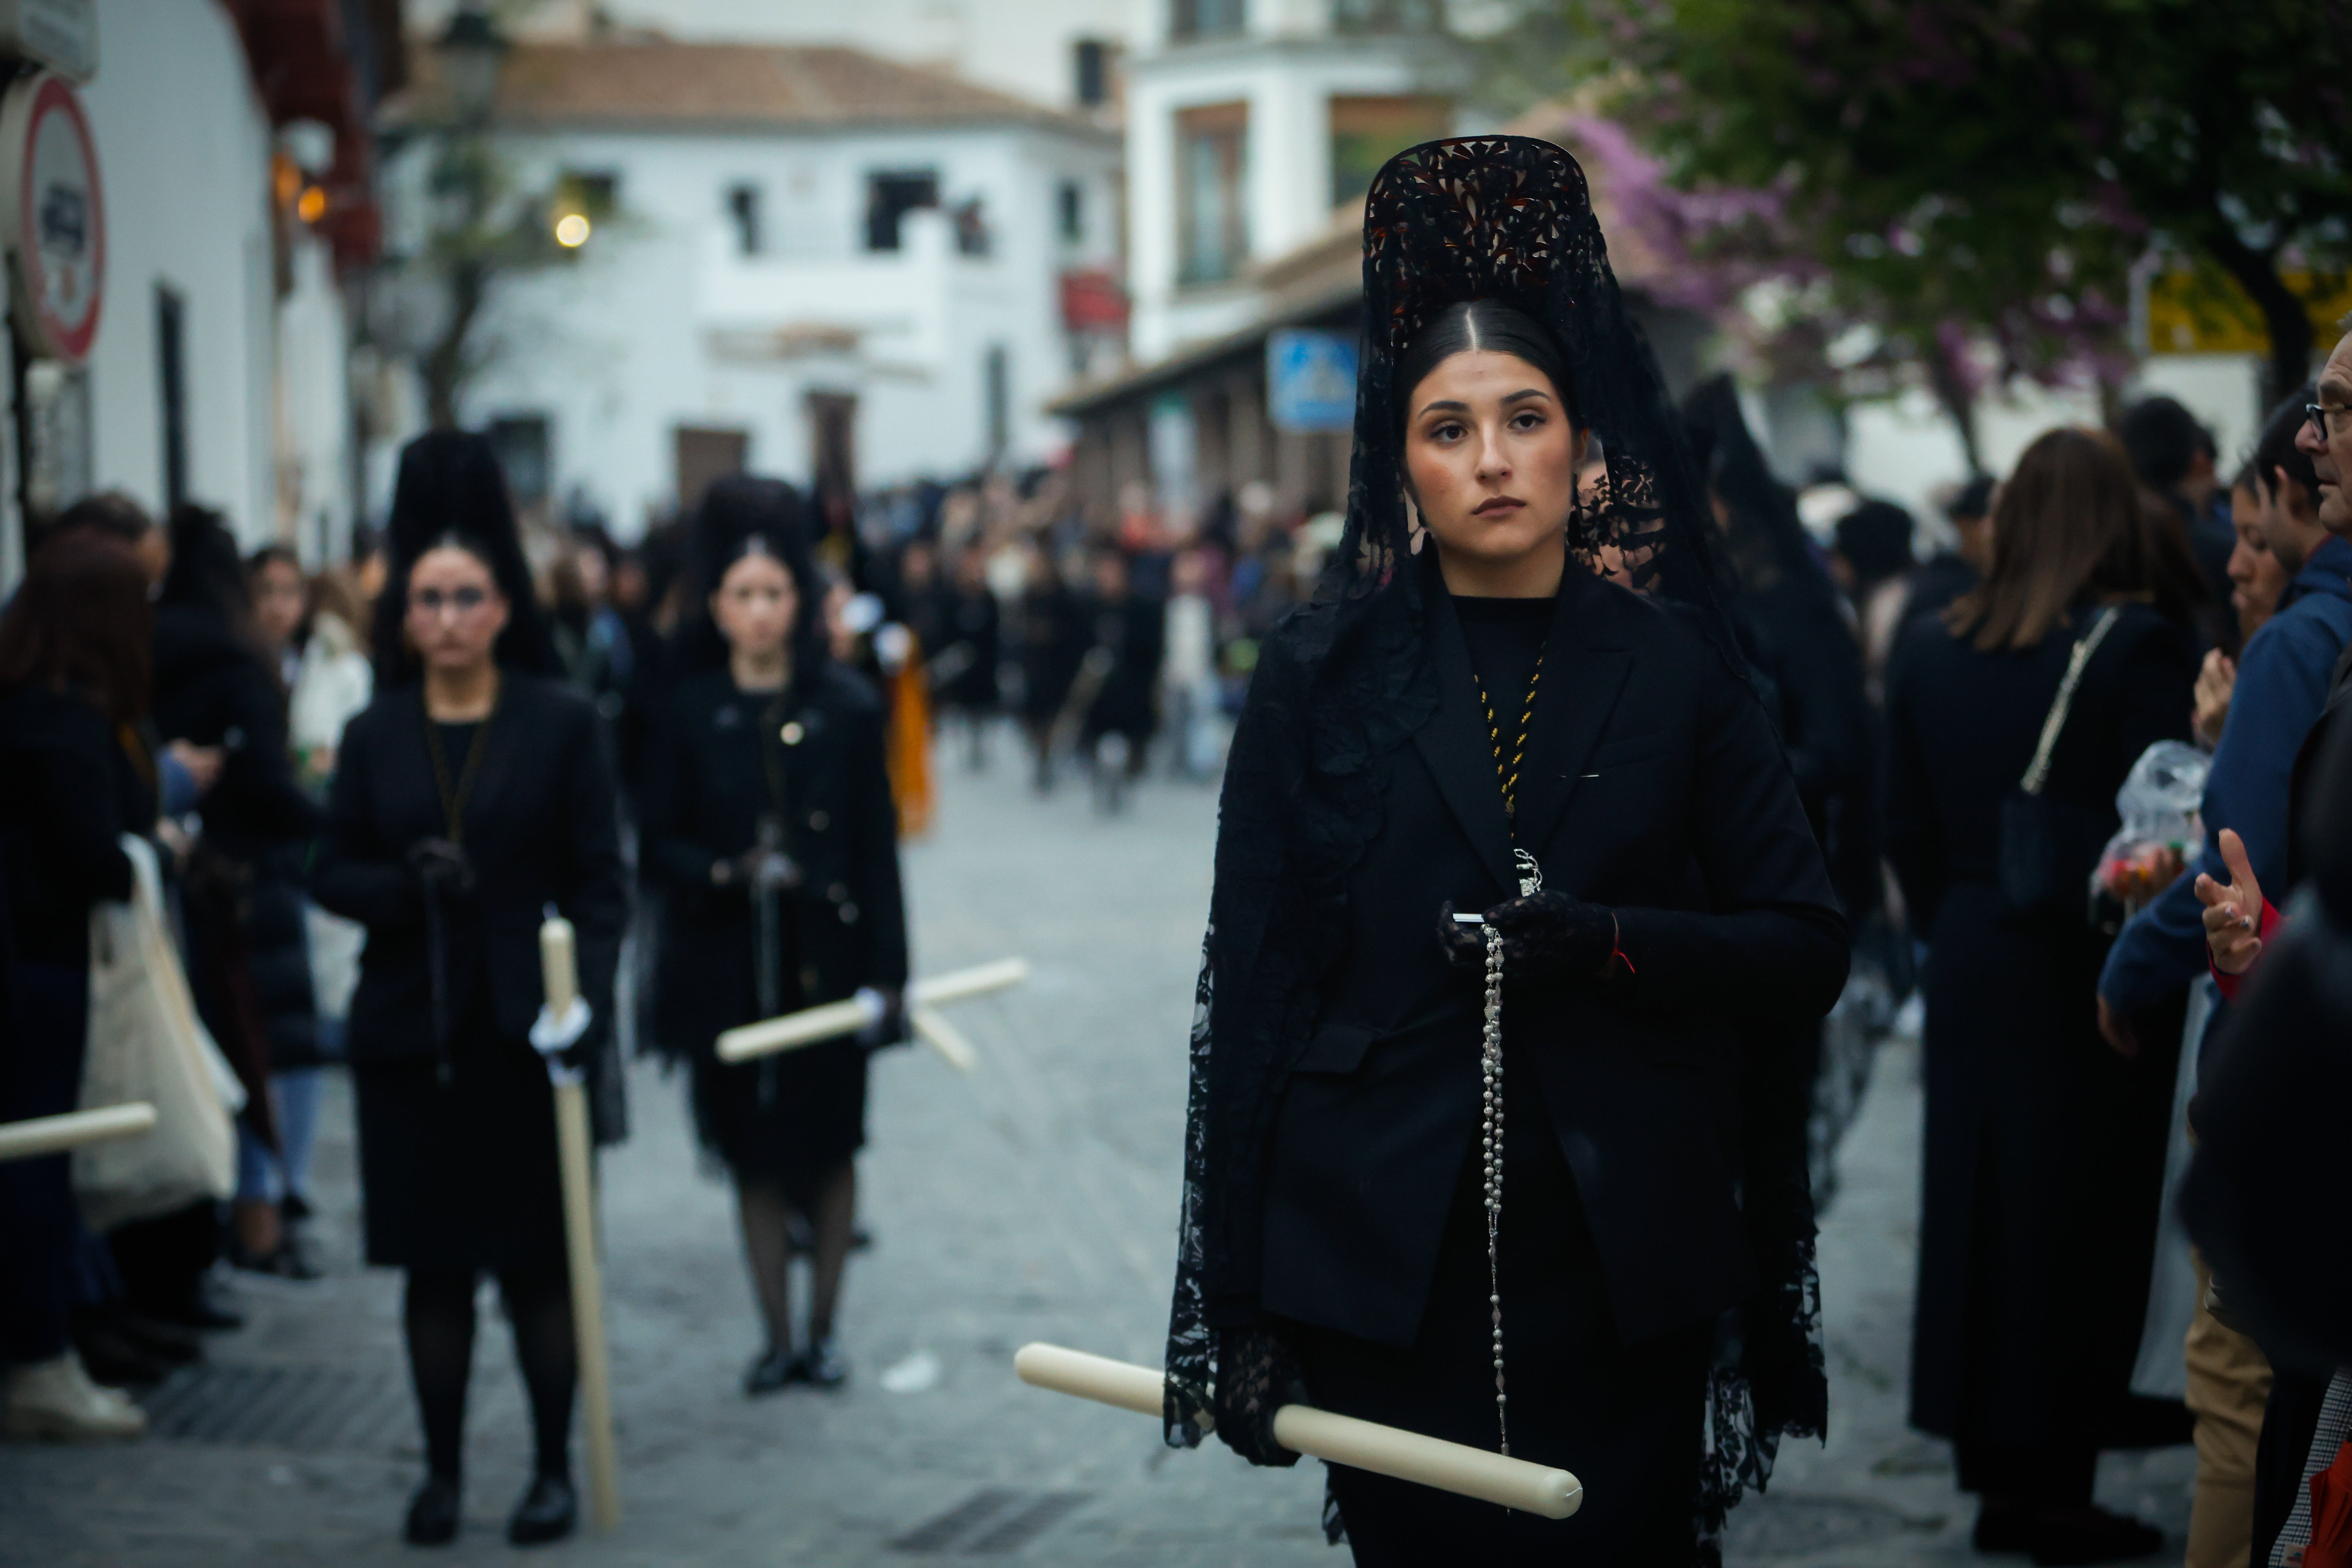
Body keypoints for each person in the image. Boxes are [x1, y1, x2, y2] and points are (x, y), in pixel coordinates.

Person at [1168, 138, 1847, 1564]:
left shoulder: (1676, 673)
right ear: (1399, 459)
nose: (1489, 458)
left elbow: (1803, 943)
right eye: (1447, 427)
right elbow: (1253, 1002)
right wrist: (1234, 1306)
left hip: (1620, 1255)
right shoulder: (1316, 676)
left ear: (1582, 445)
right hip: (1377, 1259)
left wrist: (1609, 943)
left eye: (1523, 417)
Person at [1885, 426, 2201, 1563]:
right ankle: (2060, 1480)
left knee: (1977, 1212)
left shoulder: (1928, 645)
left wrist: (1947, 926)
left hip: (1971, 947)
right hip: (2082, 957)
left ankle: (1997, 1479)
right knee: (2075, 1217)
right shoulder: (2138, 643)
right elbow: (2163, 835)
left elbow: (1902, 825)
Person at [310, 430, 627, 1548]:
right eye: (427, 598)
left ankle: (550, 1470)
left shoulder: (562, 725)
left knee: (540, 1270)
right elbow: (330, 869)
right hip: (411, 1039)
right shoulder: (370, 737)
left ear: (502, 608)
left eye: (467, 597)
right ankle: (441, 1475)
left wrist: (578, 997)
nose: (446, 616)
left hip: (525, 1039)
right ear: (405, 613)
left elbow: (603, 884)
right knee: (433, 1275)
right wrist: (402, 888)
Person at [641, 475, 908, 1396]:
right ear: (716, 605)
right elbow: (657, 841)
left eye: (775, 595)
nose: (759, 612)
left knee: (831, 1148)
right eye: (742, 596)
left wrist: (891, 978)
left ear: (800, 601)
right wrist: (725, 870)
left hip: (829, 965)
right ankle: (778, 1334)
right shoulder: (686, 710)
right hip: (728, 970)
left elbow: (879, 853)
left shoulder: (847, 705)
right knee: (752, 1151)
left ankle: (826, 1332)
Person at [0, 530, 156, 1441]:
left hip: (29, 960)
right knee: (36, 1166)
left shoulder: (24, 704)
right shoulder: (64, 718)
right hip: (40, 968)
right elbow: (96, 854)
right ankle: (39, 1357)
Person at [1015, 541, 1086, 792]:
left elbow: (1077, 635)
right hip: (1034, 666)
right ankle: (1041, 756)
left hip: (1058, 667)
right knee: (1033, 719)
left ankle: (1049, 760)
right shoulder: (1028, 596)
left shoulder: (1065, 598)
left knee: (1054, 719)